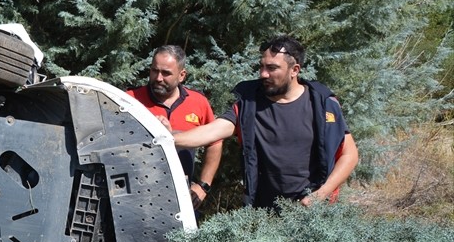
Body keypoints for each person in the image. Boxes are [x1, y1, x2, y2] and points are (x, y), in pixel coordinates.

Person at [173, 36, 358, 208]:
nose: (263, 74)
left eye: (272, 68)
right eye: (261, 67)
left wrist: (320, 194)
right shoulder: (249, 103)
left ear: (295, 70)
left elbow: (349, 155)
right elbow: (212, 131)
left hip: (313, 208)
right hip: (263, 210)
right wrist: (166, 138)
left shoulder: (321, 103)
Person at [127, 46, 222, 209]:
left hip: (182, 198)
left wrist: (203, 186)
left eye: (166, 73)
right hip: (135, 196)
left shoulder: (198, 102)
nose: (158, 78)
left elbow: (215, 142)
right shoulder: (130, 100)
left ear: (182, 75)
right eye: (154, 71)